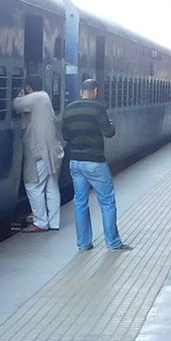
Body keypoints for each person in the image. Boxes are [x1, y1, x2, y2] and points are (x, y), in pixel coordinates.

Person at [63, 79, 129, 251]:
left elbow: (65, 135)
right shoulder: (98, 108)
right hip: (94, 162)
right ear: (95, 91)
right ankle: (113, 243)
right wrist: (111, 125)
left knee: (80, 202)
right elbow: (109, 132)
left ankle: (84, 244)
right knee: (107, 202)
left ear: (81, 91)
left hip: (75, 163)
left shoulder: (69, 109)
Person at [15, 75, 64, 233]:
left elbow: (16, 105)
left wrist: (19, 96)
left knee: (32, 185)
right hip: (51, 150)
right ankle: (54, 222)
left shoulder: (36, 97)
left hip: (38, 151)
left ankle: (41, 222)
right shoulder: (45, 98)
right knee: (51, 186)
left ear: (29, 88)